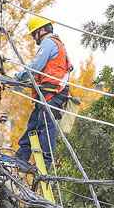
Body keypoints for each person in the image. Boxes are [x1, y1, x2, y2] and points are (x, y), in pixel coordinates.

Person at [13, 14, 73, 171]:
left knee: (46, 126)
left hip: (52, 94)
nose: (34, 38)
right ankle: (21, 156)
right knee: (34, 124)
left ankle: (45, 164)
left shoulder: (48, 43)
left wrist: (19, 76)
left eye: (34, 34)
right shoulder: (57, 45)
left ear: (41, 30)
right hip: (47, 95)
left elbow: (36, 66)